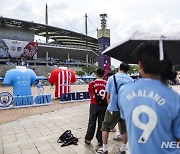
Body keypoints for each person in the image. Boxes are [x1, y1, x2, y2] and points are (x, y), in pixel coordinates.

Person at [118, 44, 180, 154]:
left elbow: (126, 119)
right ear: (164, 66)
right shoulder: (174, 98)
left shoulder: (123, 92)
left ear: (140, 65)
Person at [96, 63, 134, 154]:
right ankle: (123, 149)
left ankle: (104, 149)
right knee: (125, 130)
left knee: (105, 127)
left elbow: (108, 95)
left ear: (119, 68)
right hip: (125, 108)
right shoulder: (131, 80)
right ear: (127, 71)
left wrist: (110, 105)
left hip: (113, 108)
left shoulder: (111, 78)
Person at [84, 69, 108, 146]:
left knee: (92, 122)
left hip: (94, 104)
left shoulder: (92, 83)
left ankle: (88, 138)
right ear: (103, 74)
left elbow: (90, 93)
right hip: (104, 105)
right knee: (101, 123)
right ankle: (100, 140)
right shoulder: (106, 83)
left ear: (96, 74)